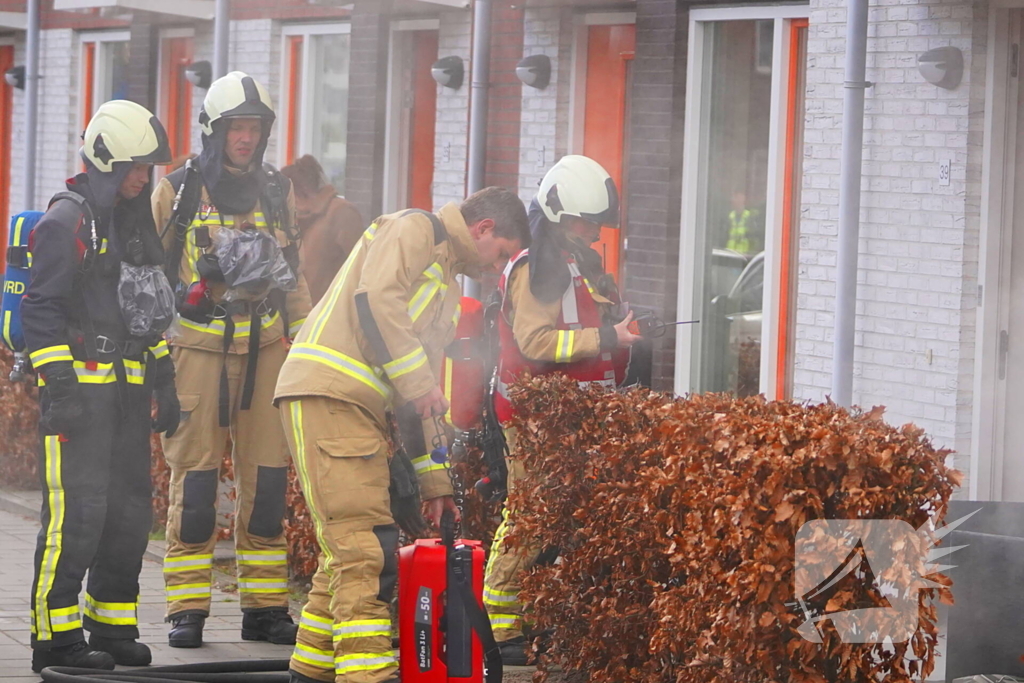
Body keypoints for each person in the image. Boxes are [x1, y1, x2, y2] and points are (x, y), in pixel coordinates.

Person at [274, 187, 530, 683]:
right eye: (501, 254)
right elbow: (377, 300)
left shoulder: (447, 287)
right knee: (363, 546)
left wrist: (436, 484)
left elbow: (423, 397)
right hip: (331, 393)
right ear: (483, 229)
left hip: (357, 405)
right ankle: (367, 673)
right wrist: (417, 383)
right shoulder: (413, 229)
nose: (496, 269)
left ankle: (312, 668)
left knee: (348, 543)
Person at [154, 72, 312, 649]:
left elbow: (294, 275)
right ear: (213, 132)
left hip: (265, 349)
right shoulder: (176, 192)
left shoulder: (277, 190)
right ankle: (187, 609)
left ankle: (265, 609)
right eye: (236, 128)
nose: (246, 138)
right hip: (198, 352)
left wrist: (306, 341)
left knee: (267, 482)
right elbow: (148, 277)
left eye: (254, 128)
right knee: (196, 483)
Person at [23, 100, 178, 672]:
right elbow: (39, 313)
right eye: (136, 166)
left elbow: (146, 311)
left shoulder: (131, 220)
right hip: (80, 398)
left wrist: (165, 377)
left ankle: (111, 627)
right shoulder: (66, 222)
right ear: (107, 159)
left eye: (148, 168)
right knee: (76, 517)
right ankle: (54, 638)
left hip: (127, 396)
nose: (143, 177)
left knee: (128, 514)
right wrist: (60, 387)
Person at [483, 155, 640, 665]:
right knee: (531, 516)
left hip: (576, 418)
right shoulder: (537, 267)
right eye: (584, 222)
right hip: (534, 418)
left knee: (567, 521)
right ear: (558, 214)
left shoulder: (579, 265)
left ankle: (537, 615)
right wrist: (606, 337)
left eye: (597, 223)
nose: (594, 232)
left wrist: (625, 333)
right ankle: (498, 626)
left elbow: (591, 326)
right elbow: (534, 342)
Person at [280, 155, 364, 305]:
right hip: (297, 313)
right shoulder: (289, 219)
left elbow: (363, 269)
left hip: (330, 313)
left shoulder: (341, 213)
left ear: (297, 194)